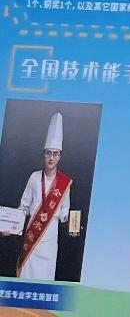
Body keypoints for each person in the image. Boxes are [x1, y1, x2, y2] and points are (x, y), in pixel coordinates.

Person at [13, 113, 71, 280]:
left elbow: (64, 213)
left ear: (60, 156)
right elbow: (23, 208)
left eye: (55, 154)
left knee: (45, 278)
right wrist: (11, 226)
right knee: (26, 275)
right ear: (43, 154)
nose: (51, 158)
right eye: (48, 153)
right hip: (32, 236)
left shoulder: (64, 183)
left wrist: (72, 224)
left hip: (50, 239)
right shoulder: (34, 177)